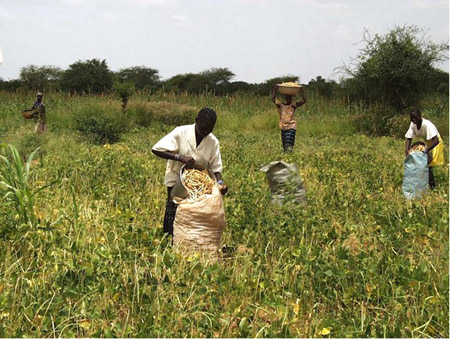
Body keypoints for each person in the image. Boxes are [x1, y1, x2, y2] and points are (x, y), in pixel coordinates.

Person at [152, 107, 228, 237]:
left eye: (209, 130)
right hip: (177, 181)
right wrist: (179, 157)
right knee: (174, 214)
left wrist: (219, 182)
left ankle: (190, 243)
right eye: (203, 128)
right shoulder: (181, 132)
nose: (205, 132)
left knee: (193, 217)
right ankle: (170, 241)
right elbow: (156, 149)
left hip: (199, 186)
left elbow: (216, 167)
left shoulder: (213, 141)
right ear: (196, 120)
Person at [405, 108, 444, 189]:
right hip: (427, 143)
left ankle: (432, 186)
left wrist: (426, 150)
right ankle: (423, 185)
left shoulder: (427, 125)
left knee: (428, 166)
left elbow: (436, 141)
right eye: (412, 118)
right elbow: (409, 138)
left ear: (420, 116)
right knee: (421, 165)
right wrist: (407, 149)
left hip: (435, 144)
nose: (414, 120)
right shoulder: (413, 124)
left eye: (415, 117)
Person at [272, 84, 306, 152]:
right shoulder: (281, 105)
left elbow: (304, 100)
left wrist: (302, 90)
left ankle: (289, 154)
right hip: (283, 127)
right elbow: (273, 99)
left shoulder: (293, 106)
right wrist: (275, 89)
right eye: (288, 98)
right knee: (285, 144)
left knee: (289, 143)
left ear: (291, 99)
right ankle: (287, 155)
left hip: (291, 126)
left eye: (290, 98)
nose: (289, 99)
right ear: (285, 99)